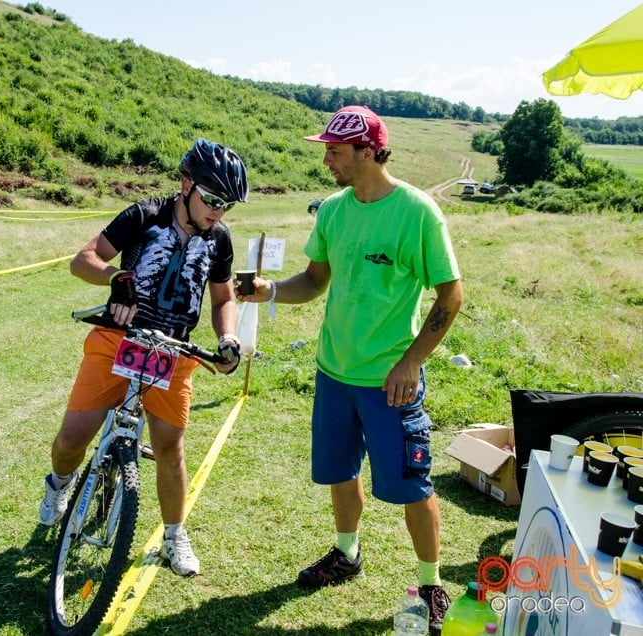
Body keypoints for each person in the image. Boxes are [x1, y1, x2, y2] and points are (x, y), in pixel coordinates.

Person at [238, 106, 463, 636]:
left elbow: (451, 295)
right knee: (340, 472)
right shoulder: (334, 211)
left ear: (368, 152)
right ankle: (346, 554)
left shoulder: (418, 212)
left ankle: (430, 586)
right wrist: (270, 291)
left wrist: (412, 362)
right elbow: (315, 280)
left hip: (390, 381)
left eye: (335, 151)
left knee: (411, 484)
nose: (326, 159)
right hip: (333, 372)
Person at [38, 137, 248, 576]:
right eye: (212, 199)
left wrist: (229, 337)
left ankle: (173, 535)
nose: (218, 211)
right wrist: (115, 278)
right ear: (186, 184)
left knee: (170, 448)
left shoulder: (219, 239)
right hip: (119, 339)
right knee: (72, 439)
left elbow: (223, 297)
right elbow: (84, 259)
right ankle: (59, 483)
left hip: (173, 351)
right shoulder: (144, 215)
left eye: (227, 205)